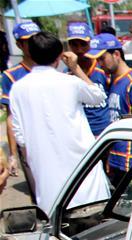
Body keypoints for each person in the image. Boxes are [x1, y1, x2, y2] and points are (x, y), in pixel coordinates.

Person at [9, 32, 109, 212]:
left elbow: (21, 138)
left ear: (30, 54)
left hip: (48, 185)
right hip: (84, 178)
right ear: (59, 57)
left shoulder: (18, 89)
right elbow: (98, 96)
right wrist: (76, 68)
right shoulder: (70, 82)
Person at [86, 33, 132, 185]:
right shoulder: (115, 82)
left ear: (116, 54)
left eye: (102, 58)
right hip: (117, 163)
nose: (99, 64)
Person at [2, 21, 40, 184]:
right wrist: (12, 155)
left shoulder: (53, 68)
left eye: (36, 39)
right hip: (30, 144)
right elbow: (11, 117)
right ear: (19, 44)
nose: (33, 45)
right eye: (27, 41)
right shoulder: (11, 76)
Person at [66, 22, 111, 136]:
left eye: (83, 44)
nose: (79, 49)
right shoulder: (66, 74)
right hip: (80, 134)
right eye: (74, 45)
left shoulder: (103, 68)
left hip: (104, 133)